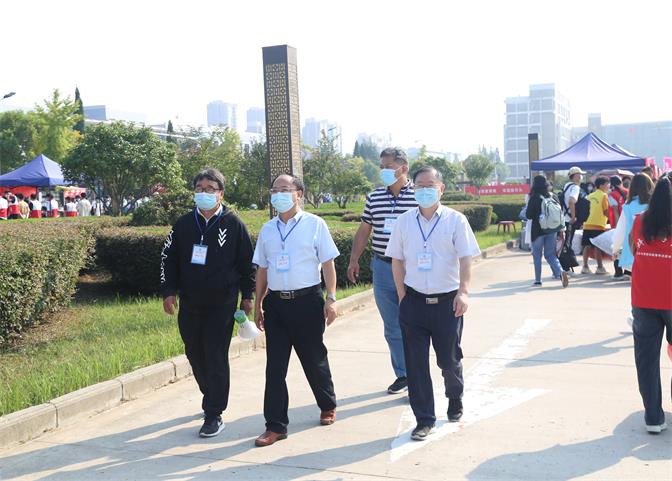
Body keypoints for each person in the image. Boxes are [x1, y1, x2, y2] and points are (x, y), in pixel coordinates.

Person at [386, 166, 481, 441]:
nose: (424, 190)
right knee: (415, 365)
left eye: (430, 185)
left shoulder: (456, 220)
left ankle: (455, 396)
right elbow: (397, 260)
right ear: (413, 189)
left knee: (448, 360)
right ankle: (424, 419)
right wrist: (402, 296)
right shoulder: (404, 221)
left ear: (441, 189)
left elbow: (466, 258)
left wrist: (464, 292)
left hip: (447, 304)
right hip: (414, 302)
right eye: (419, 186)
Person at [161, 167, 256, 438]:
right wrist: (169, 291)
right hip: (190, 301)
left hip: (222, 303)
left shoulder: (233, 224)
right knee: (194, 352)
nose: (204, 193)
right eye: (199, 189)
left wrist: (247, 295)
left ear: (221, 194)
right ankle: (210, 393)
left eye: (210, 189)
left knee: (215, 355)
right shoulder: (183, 224)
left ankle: (214, 413)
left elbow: (247, 263)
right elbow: (168, 258)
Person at [252, 174, 339, 447]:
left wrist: (331, 298)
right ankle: (275, 425)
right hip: (276, 304)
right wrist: (258, 304)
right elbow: (262, 269)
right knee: (275, 368)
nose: (278, 194)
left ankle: (327, 404)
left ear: (298, 194)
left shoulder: (315, 224)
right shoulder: (267, 229)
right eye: (274, 190)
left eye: (284, 189)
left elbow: (328, 263)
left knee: (314, 359)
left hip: (307, 302)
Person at [347, 147, 417, 394]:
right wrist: (354, 259)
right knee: (392, 326)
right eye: (382, 167)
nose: (383, 172)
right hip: (383, 267)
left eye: (388, 167)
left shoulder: (418, 196)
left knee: (414, 324)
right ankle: (404, 374)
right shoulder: (374, 197)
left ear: (403, 168)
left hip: (412, 269)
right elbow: (365, 229)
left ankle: (417, 375)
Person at [629, 176, 672, 434]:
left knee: (647, 360)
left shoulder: (640, 221)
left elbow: (634, 251)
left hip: (644, 299)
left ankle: (653, 418)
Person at [525, 175, 568, 287]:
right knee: (550, 255)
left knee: (537, 255)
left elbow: (528, 215)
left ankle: (538, 280)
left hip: (537, 231)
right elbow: (560, 213)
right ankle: (560, 271)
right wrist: (561, 229)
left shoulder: (534, 197)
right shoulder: (553, 196)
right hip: (552, 230)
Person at [613, 174, 654, 281]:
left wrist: (615, 249)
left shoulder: (628, 206)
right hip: (654, 250)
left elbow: (620, 231)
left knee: (637, 285)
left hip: (634, 251)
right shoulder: (656, 204)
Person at [581, 176, 610, 274]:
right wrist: (610, 220)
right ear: (601, 185)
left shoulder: (589, 196)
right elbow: (606, 211)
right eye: (607, 184)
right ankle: (600, 267)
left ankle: (585, 267)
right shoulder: (604, 196)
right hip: (598, 225)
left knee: (587, 246)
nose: (608, 186)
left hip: (587, 224)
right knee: (598, 246)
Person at [561, 166, 585, 250]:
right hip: (570, 219)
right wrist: (573, 217)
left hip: (563, 217)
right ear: (575, 176)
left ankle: (563, 256)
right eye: (580, 174)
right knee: (568, 242)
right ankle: (567, 257)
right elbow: (571, 201)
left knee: (564, 241)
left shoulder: (566, 186)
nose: (581, 176)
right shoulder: (575, 187)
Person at [609, 176, 629, 278]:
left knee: (616, 248)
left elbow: (615, 211)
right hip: (629, 223)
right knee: (627, 247)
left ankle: (618, 272)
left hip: (619, 223)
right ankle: (628, 271)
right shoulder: (627, 191)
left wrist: (617, 226)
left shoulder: (612, 194)